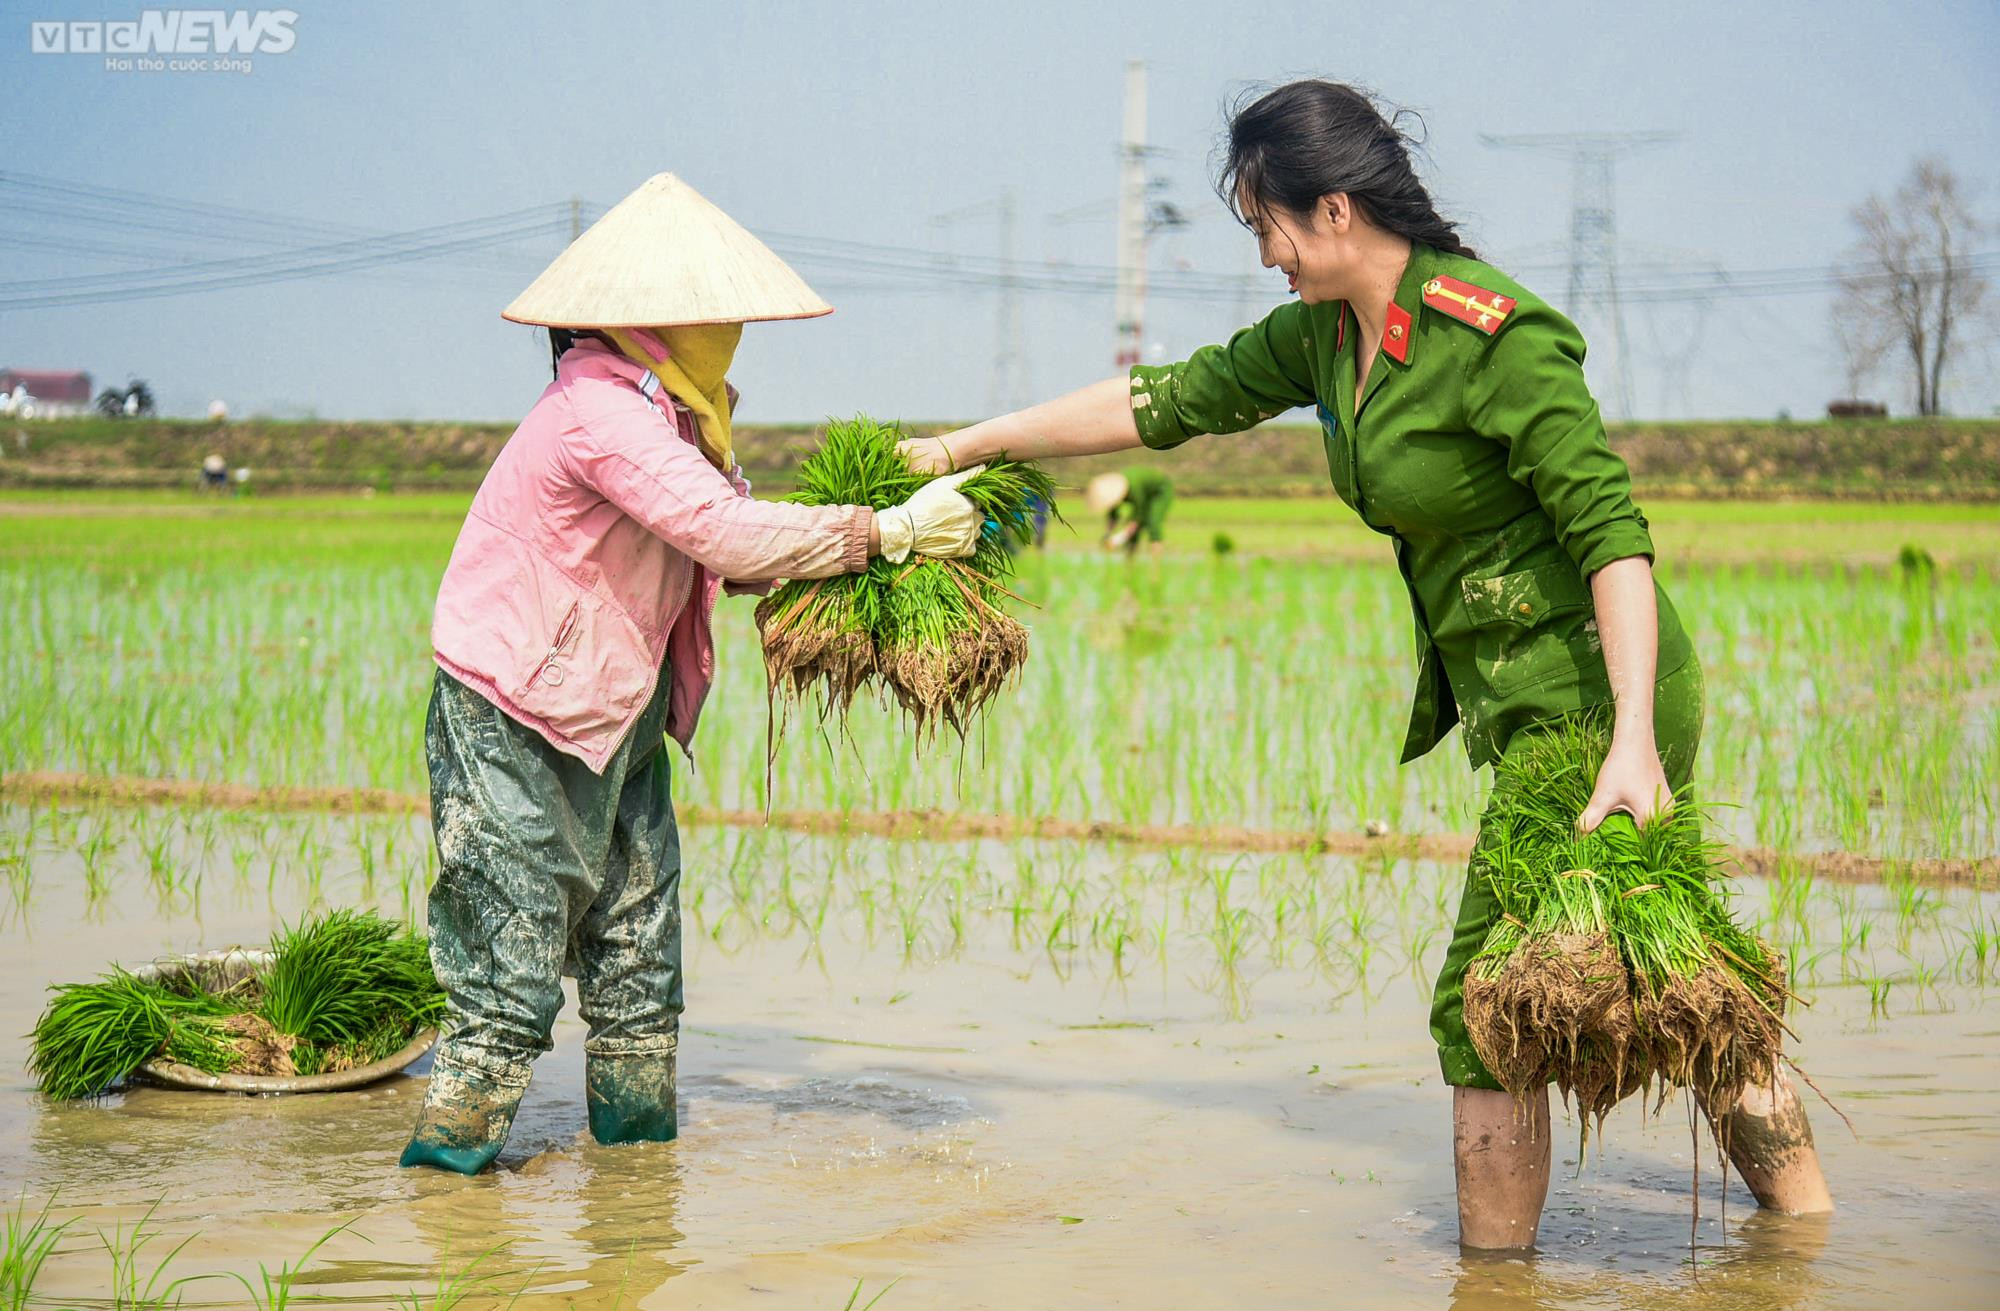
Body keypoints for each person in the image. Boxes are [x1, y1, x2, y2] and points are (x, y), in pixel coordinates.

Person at [901, 81, 1832, 1247]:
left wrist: (1633, 738)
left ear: (1332, 210)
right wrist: (960, 443)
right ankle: (1806, 1240)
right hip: (1512, 703)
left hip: (1595, 699)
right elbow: (1162, 402)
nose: (1263, 257)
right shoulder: (1325, 338)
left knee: (1480, 1008)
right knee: (1663, 961)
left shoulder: (1493, 335)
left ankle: (1491, 1279)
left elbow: (1611, 536)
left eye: (1265, 228)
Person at [401, 173, 985, 1175]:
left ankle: (634, 1195)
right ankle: (451, 1201)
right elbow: (714, 525)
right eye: (711, 313)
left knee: (636, 956)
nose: (728, 333)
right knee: (511, 964)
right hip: (520, 710)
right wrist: (877, 532)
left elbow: (733, 551)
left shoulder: (673, 416)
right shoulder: (597, 410)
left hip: (615, 706)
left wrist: (880, 541)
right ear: (653, 320)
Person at [1085, 468, 1174, 553]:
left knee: (1153, 522)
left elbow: (1138, 517)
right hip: (1143, 493)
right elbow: (1113, 514)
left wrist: (1118, 539)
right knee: (1133, 532)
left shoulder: (1134, 488)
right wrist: (1108, 534)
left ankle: (1155, 564)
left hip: (1160, 490)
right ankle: (1130, 562)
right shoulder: (1115, 492)